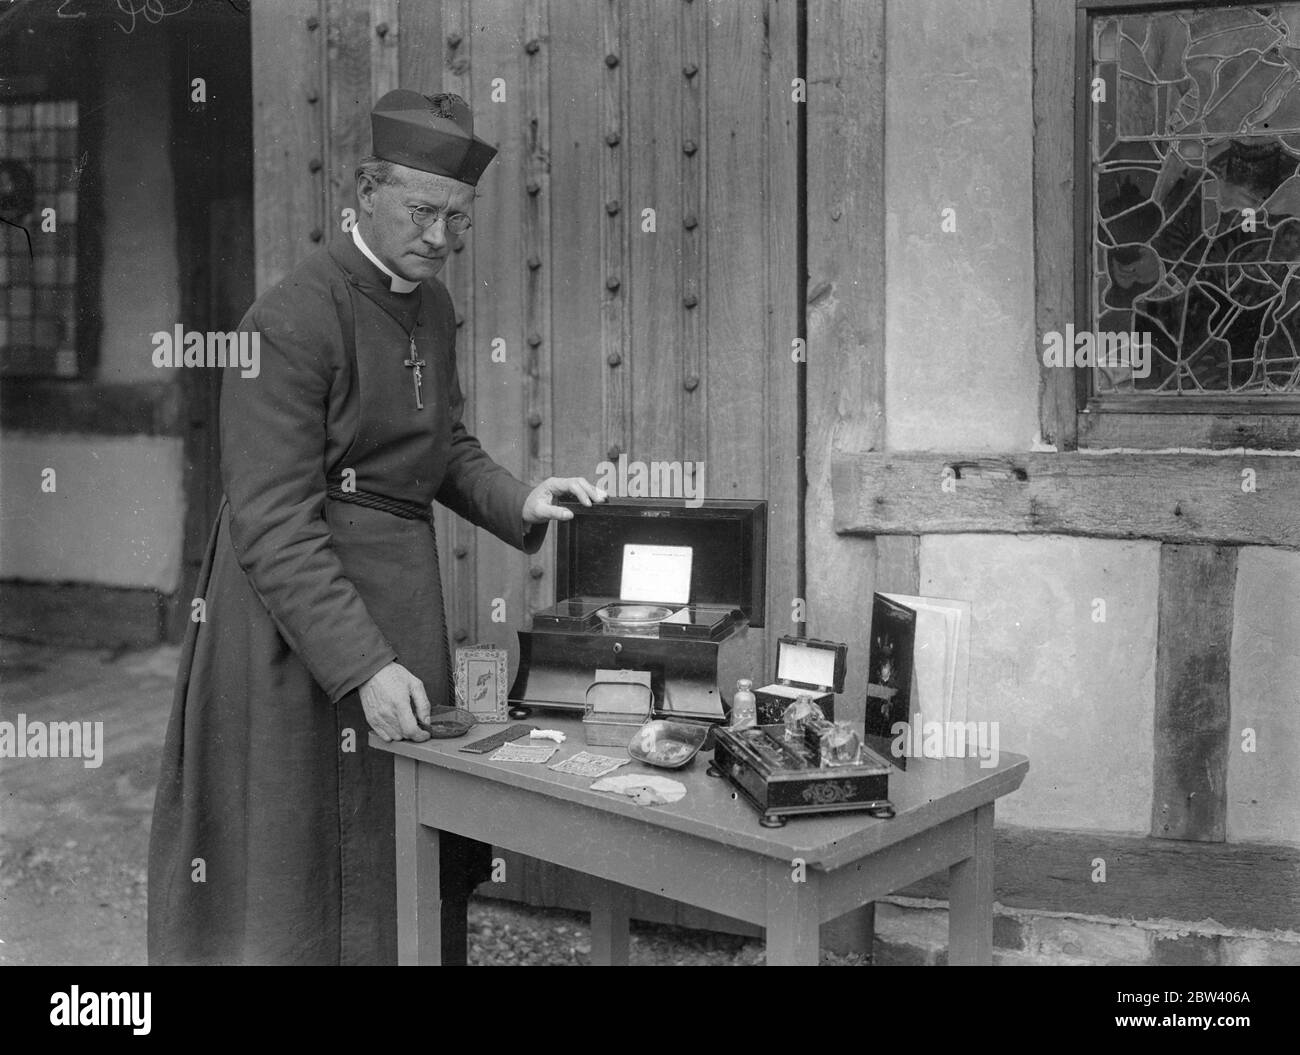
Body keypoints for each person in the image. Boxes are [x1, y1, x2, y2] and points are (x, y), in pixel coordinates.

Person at [147, 89, 604, 965]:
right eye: (423, 211)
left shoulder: (431, 308)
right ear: (364, 190)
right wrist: (360, 662)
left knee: (396, 828)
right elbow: (274, 521)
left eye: (458, 220)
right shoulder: (285, 321)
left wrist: (520, 499)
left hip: (397, 597)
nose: (441, 238)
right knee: (295, 847)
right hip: (288, 618)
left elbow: (443, 444)